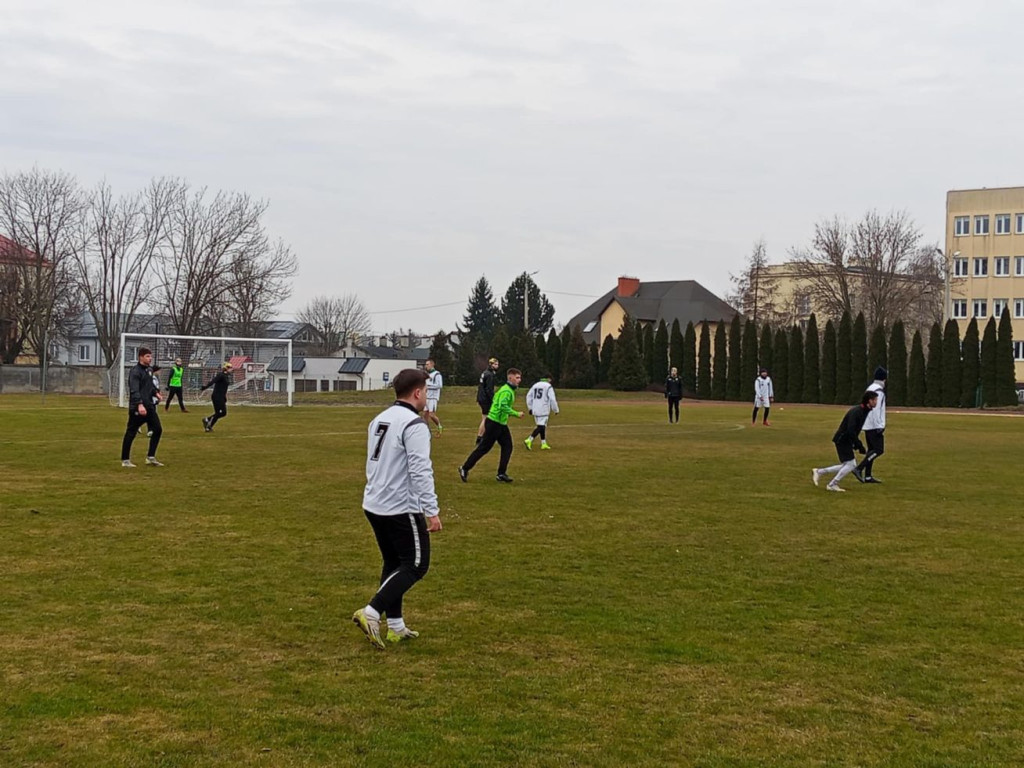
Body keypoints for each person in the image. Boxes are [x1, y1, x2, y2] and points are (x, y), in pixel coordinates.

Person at [352, 368, 442, 649]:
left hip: (375, 503)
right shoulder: (414, 425)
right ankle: (371, 612)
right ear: (417, 393)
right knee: (416, 565)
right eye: (426, 391)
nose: (427, 396)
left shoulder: (379, 419)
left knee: (394, 563)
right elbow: (421, 471)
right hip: (399, 506)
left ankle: (396, 626)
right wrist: (431, 509)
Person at [460, 367, 523, 483]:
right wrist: (516, 414)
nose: (519, 380)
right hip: (494, 423)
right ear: (510, 378)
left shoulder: (507, 389)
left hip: (499, 423)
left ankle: (501, 473)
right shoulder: (506, 391)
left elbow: (496, 402)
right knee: (484, 448)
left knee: (507, 446)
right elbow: (502, 406)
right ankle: (464, 468)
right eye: (517, 377)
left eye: (520, 377)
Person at [811, 390, 878, 492]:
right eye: (875, 400)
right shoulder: (858, 412)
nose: (876, 402)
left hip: (845, 439)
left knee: (847, 465)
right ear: (869, 401)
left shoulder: (864, 411)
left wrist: (856, 444)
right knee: (851, 465)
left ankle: (819, 472)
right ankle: (832, 484)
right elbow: (850, 430)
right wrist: (858, 445)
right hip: (842, 439)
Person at [120, 347, 164, 467]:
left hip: (149, 406)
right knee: (131, 432)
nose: (150, 359)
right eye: (147, 356)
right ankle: (125, 460)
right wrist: (139, 404)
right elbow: (134, 390)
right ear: (141, 357)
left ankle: (150, 457)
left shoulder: (149, 370)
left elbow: (149, 386)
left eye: (150, 356)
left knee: (158, 429)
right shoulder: (135, 371)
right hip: (137, 407)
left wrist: (156, 393)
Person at [854, 367, 887, 483]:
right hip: (874, 425)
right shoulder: (879, 391)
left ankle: (868, 476)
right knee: (878, 450)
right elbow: (876, 409)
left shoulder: (870, 388)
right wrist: (880, 425)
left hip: (867, 424)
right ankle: (859, 468)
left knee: (871, 450)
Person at [525, 377, 559, 450]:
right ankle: (529, 439)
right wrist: (556, 409)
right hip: (543, 409)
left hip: (535, 409)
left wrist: (530, 408)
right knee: (541, 427)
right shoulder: (548, 386)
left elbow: (528, 396)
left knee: (541, 426)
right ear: (548, 379)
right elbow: (552, 399)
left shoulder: (535, 385)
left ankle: (543, 443)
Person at [201, 362, 232, 432]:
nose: (231, 369)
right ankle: (207, 420)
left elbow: (223, 388)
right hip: (217, 397)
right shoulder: (221, 375)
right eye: (230, 367)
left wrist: (224, 397)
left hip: (221, 396)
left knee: (219, 413)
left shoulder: (226, 376)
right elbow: (213, 381)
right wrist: (205, 387)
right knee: (222, 413)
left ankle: (208, 426)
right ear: (226, 368)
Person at [475, 357, 500, 444]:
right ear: (491, 365)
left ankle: (483, 436)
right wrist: (493, 400)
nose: (497, 366)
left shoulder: (485, 373)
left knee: (485, 418)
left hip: (481, 398)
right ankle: (480, 437)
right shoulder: (490, 374)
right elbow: (489, 390)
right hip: (485, 399)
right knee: (486, 418)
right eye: (495, 364)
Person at [423, 358, 444, 435]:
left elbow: (439, 385)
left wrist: (428, 386)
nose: (426, 366)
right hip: (427, 397)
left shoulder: (437, 374)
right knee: (425, 415)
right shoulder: (427, 374)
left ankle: (439, 426)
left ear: (432, 365)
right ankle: (426, 431)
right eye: (426, 364)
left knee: (431, 415)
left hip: (433, 398)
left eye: (427, 364)